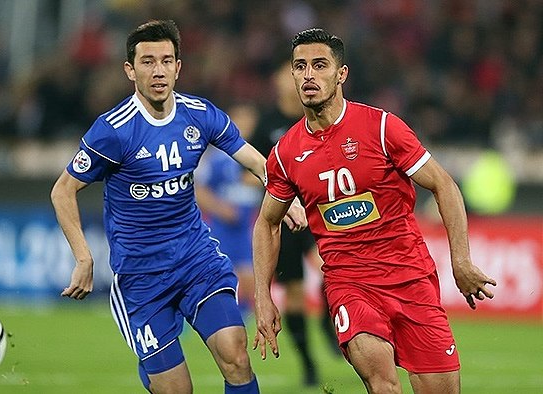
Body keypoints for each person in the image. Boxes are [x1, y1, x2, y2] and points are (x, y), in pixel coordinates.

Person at [50, 20, 305, 394]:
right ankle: (154, 372)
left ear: (178, 67)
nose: (158, 71)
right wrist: (84, 258)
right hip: (141, 277)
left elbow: (252, 158)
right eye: (148, 61)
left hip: (195, 259)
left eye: (166, 61)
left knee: (236, 354)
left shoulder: (198, 114)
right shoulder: (113, 130)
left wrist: (287, 196)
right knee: (176, 390)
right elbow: (63, 190)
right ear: (130, 70)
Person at [252, 28, 497, 394]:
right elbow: (268, 223)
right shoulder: (287, 152)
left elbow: (444, 185)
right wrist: (263, 296)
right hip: (349, 284)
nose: (308, 75)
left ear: (341, 74)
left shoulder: (382, 128)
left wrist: (460, 261)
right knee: (382, 382)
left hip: (410, 278)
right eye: (300, 67)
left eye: (319, 66)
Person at [251, 61, 340, 387]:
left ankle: (331, 325)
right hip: (286, 221)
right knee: (296, 295)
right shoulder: (268, 123)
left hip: (319, 212)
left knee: (334, 270)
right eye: (293, 72)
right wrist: (277, 195)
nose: (300, 78)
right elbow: (253, 172)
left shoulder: (314, 115)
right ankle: (308, 364)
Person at [195, 103, 263, 317]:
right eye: (240, 121)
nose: (246, 126)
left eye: (249, 121)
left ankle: (241, 321)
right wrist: (221, 209)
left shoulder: (256, 157)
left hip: (245, 229)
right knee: (217, 276)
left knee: (249, 279)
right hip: (221, 228)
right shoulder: (217, 159)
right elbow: (198, 190)